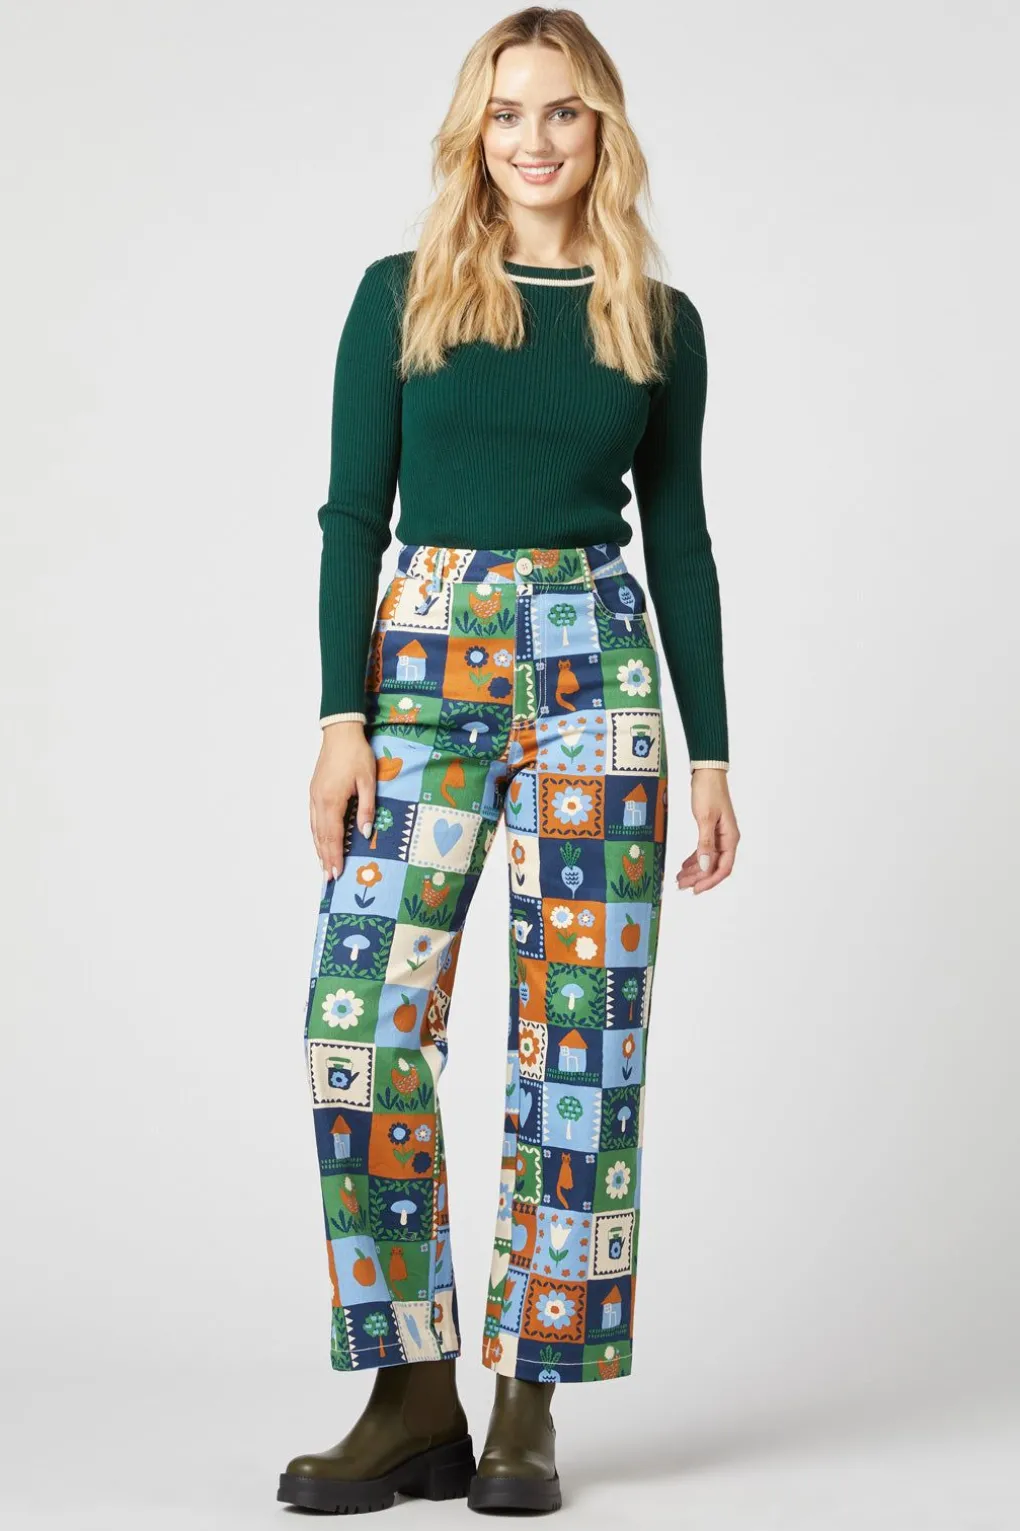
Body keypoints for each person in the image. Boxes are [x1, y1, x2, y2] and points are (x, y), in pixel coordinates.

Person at [277, 6, 740, 1516]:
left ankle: (528, 1400)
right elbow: (354, 515)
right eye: (506, 112)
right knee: (358, 1021)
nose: (534, 140)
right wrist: (340, 720)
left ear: (604, 130)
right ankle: (412, 1393)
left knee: (580, 1040)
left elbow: (679, 541)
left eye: (563, 112)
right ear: (472, 133)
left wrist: (712, 753)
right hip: (424, 669)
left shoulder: (655, 321)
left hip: (598, 673)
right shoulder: (401, 294)